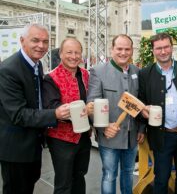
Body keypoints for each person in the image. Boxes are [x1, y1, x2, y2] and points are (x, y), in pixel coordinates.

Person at [0, 24, 70, 194]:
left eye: (45, 41)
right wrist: (54, 114)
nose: (41, 46)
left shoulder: (36, 64)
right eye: (35, 40)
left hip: (32, 144)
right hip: (15, 149)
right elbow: (19, 114)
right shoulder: (8, 70)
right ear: (22, 41)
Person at [86, 34, 145, 194]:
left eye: (127, 49)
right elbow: (92, 104)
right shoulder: (98, 71)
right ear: (112, 49)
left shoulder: (137, 72)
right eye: (119, 48)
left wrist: (141, 129)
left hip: (131, 136)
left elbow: (141, 102)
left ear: (132, 51)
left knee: (128, 174)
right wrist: (103, 127)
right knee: (109, 175)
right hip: (109, 137)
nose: (123, 53)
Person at [138, 32, 177, 194]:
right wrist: (142, 122)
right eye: (159, 48)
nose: (163, 51)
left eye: (166, 47)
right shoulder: (145, 74)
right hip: (161, 135)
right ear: (153, 50)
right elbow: (141, 102)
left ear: (172, 47)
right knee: (161, 178)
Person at [42, 38, 91, 194]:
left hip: (83, 136)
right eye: (69, 52)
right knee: (63, 183)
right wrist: (84, 109)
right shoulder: (51, 78)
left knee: (79, 176)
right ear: (61, 54)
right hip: (61, 139)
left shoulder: (85, 74)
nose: (74, 56)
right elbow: (52, 107)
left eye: (77, 52)